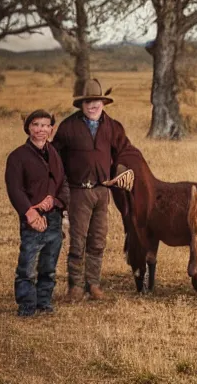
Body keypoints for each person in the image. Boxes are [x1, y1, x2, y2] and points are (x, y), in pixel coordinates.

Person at [52, 78, 138, 302]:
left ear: (103, 102)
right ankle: (75, 286)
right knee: (78, 239)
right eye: (88, 101)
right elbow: (55, 158)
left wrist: (119, 172)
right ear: (81, 104)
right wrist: (59, 191)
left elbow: (124, 151)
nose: (93, 106)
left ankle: (94, 284)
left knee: (98, 240)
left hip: (102, 191)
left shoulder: (112, 126)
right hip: (78, 191)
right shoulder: (68, 127)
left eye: (97, 101)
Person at [5, 109, 70, 317]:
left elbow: (63, 183)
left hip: (54, 217)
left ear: (51, 129)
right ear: (28, 128)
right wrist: (30, 213)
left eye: (45, 125)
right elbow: (15, 189)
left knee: (49, 265)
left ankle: (44, 302)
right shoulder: (17, 156)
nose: (40, 129)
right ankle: (26, 306)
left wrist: (56, 201)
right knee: (27, 266)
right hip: (32, 218)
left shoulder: (55, 154)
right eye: (36, 125)